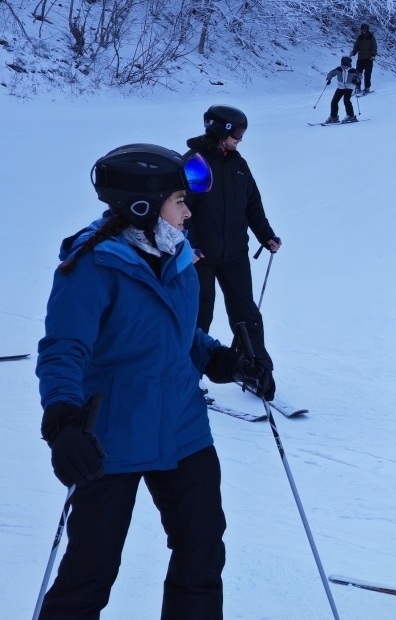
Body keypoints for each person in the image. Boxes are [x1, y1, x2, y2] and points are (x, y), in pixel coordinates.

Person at [35, 143, 274, 619]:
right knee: (90, 571)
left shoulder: (177, 252)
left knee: (202, 555)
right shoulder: (91, 265)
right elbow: (64, 349)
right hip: (112, 436)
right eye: (179, 201)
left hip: (184, 429)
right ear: (143, 207)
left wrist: (223, 362)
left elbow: (181, 332)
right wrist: (62, 420)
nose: (188, 212)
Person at [185, 104, 280, 390]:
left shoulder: (238, 164)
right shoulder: (195, 163)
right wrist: (190, 245)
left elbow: (252, 204)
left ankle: (254, 371)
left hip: (235, 253)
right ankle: (188, 378)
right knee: (200, 314)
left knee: (246, 314)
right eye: (236, 132)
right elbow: (182, 209)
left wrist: (266, 235)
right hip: (200, 257)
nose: (240, 139)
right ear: (219, 130)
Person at [325, 57, 362, 123]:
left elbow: (360, 76)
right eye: (344, 64)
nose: (345, 66)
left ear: (349, 63)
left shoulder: (353, 70)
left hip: (349, 87)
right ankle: (334, 117)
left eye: (346, 64)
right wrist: (329, 79)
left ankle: (351, 116)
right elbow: (331, 73)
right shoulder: (338, 69)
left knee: (346, 100)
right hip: (340, 87)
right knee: (334, 101)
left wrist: (356, 80)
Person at [350, 23, 377, 94]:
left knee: (367, 74)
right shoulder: (360, 37)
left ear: (367, 30)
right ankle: (357, 87)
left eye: (365, 30)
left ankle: (367, 88)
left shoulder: (371, 37)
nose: (363, 31)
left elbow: (374, 46)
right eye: (362, 30)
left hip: (369, 59)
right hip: (360, 58)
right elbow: (356, 46)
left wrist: (373, 55)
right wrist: (353, 52)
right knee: (358, 74)